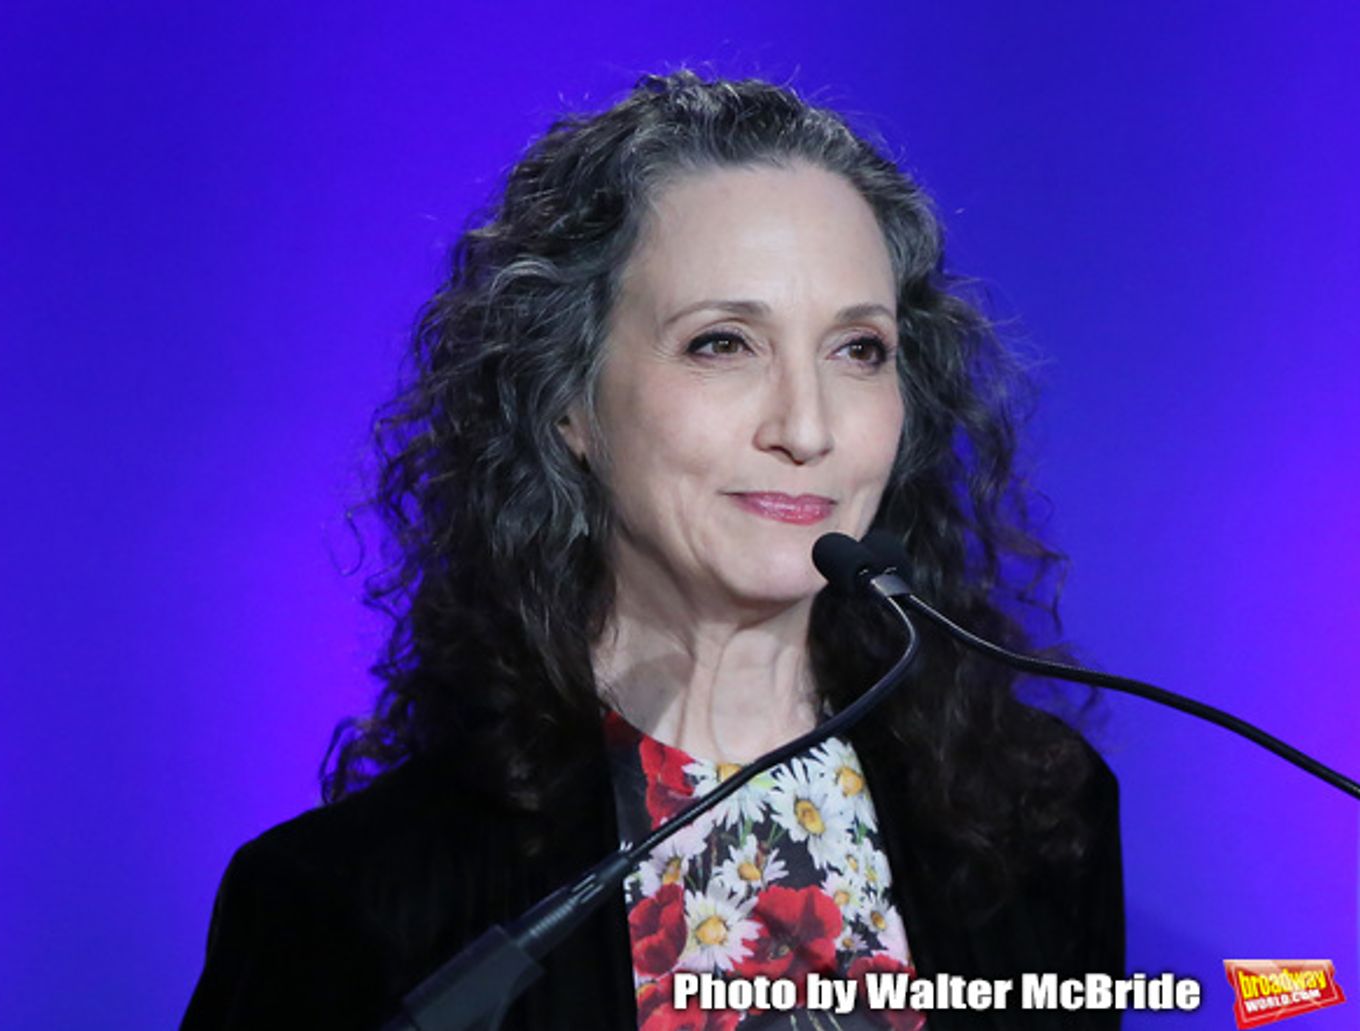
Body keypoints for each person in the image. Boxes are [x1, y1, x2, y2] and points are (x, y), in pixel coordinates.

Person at [182, 71, 1124, 1030]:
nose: (807, 426)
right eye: (723, 343)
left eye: (858, 349)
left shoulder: (1040, 826)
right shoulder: (348, 904)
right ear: (568, 401)